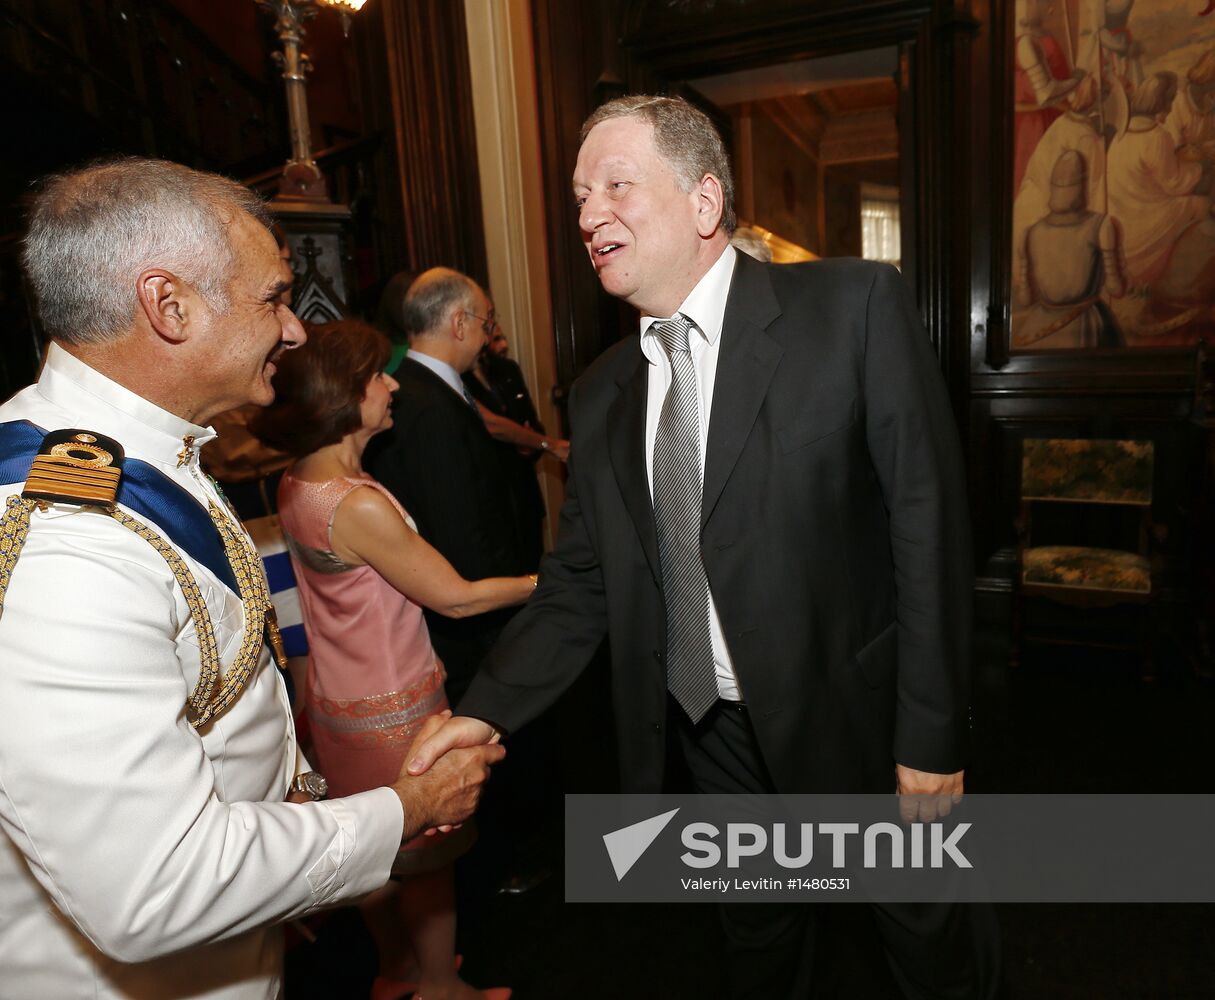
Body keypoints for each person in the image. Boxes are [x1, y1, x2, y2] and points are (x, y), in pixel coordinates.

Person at [409, 95, 1000, 998]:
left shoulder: (850, 309)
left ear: (702, 202)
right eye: (576, 197)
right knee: (758, 941)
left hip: (858, 719)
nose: (586, 215)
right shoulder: (602, 393)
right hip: (708, 733)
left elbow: (927, 530)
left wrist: (929, 733)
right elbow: (580, 584)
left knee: (923, 939)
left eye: (615, 185)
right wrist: (483, 712)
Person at [0, 157, 503, 999]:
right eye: (272, 297)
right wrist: (408, 810)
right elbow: (154, 885)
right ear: (169, 305)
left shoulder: (144, 460)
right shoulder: (67, 547)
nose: (295, 328)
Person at [253, 319, 529, 1000]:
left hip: (339, 704)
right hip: (395, 707)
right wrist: (551, 582)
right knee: (427, 857)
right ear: (344, 396)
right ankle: (438, 984)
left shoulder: (298, 483)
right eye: (377, 375)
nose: (392, 384)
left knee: (373, 856)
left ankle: (396, 973)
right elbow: (457, 600)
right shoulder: (356, 503)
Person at [1015, 150, 1126, 349]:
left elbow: (1025, 298)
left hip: (1041, 326)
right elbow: (1115, 288)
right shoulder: (1101, 225)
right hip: (1086, 324)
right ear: (1081, 186)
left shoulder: (1031, 232)